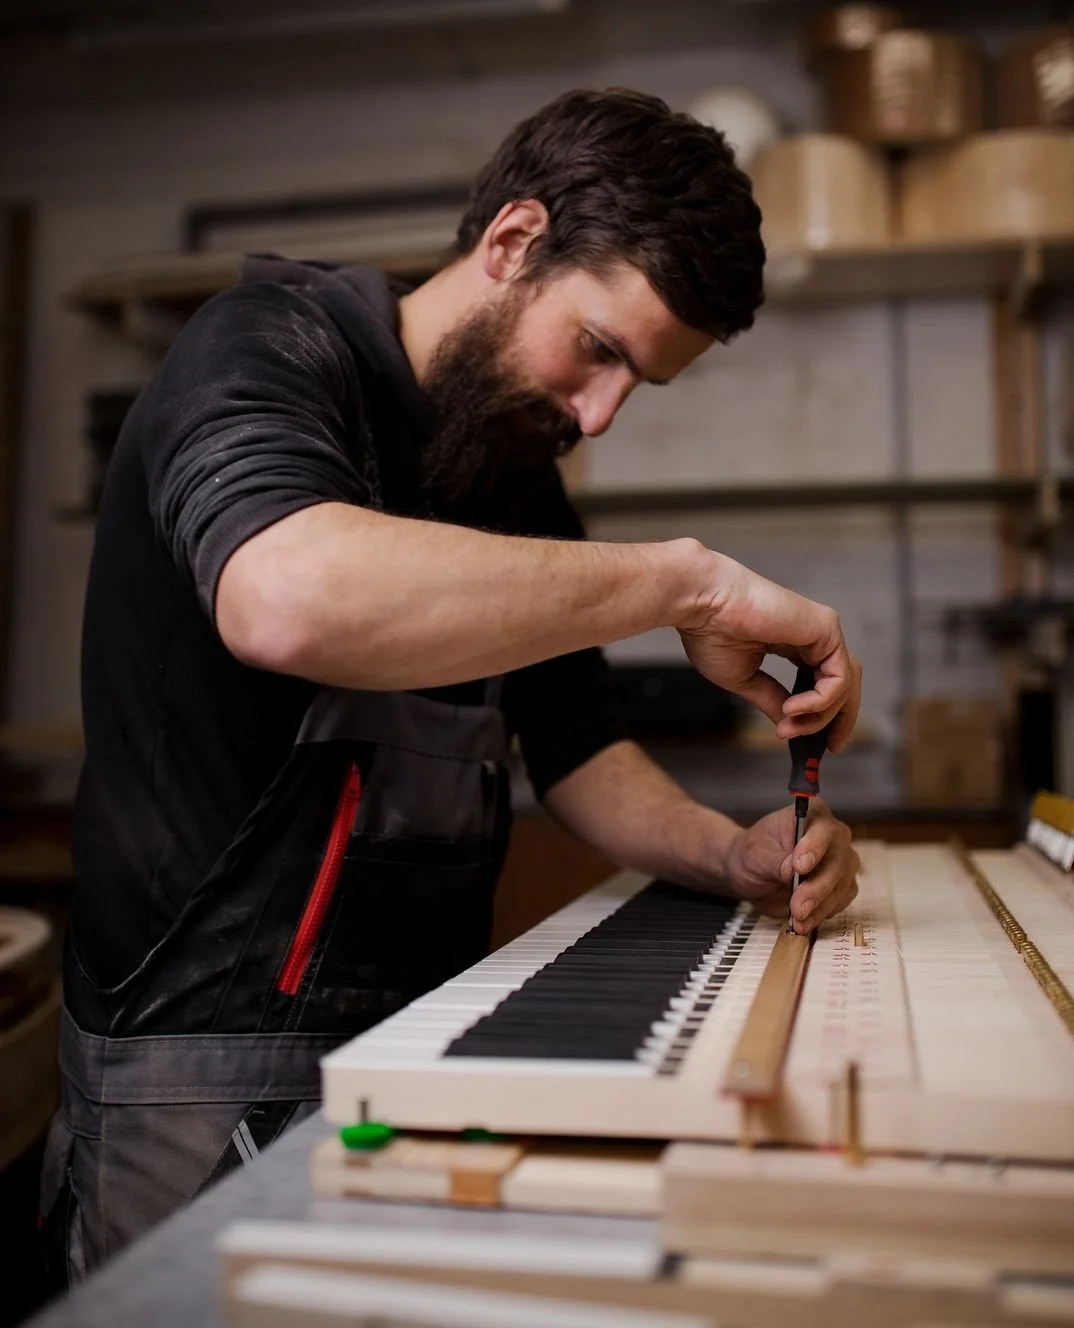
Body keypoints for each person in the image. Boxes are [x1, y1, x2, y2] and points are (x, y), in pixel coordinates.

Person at [41, 87, 861, 1283]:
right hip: (195, 1054)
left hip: (427, 1030)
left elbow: (574, 744)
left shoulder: (508, 456)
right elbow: (289, 598)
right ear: (513, 241)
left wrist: (725, 854)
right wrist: (689, 585)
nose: (597, 415)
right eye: (598, 351)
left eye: (640, 386)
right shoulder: (267, 349)